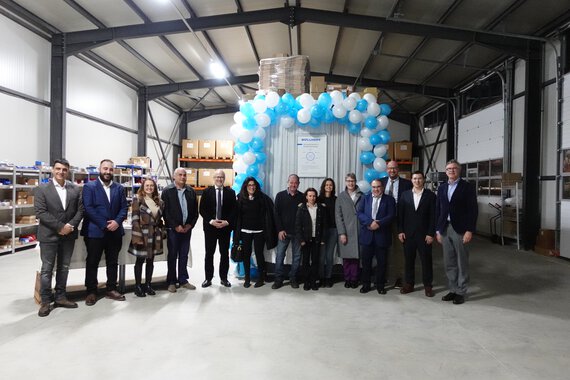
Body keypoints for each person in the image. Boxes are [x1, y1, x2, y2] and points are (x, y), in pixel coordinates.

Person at [34, 159, 84, 317]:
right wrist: (60, 227)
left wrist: (70, 226)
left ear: (68, 171)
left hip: (68, 235)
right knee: (47, 269)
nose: (61, 172)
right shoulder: (42, 189)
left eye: (64, 169)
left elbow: (80, 210)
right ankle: (46, 301)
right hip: (49, 235)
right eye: (58, 169)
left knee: (64, 267)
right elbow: (40, 212)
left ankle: (61, 297)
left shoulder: (75, 189)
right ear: (52, 170)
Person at [81, 159, 128, 306]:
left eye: (110, 169)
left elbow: (124, 208)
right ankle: (91, 291)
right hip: (95, 232)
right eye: (105, 169)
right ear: (99, 169)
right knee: (92, 261)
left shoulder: (119, 188)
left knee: (112, 261)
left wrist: (116, 222)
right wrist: (104, 224)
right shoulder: (89, 187)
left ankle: (111, 289)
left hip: (115, 232)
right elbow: (88, 208)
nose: (108, 172)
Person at [436, 159, 478, 305]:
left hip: (460, 229)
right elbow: (438, 209)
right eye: (449, 169)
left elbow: (473, 210)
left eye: (454, 168)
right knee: (449, 261)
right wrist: (437, 230)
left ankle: (461, 291)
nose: (451, 171)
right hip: (445, 228)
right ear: (446, 171)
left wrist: (469, 230)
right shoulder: (441, 188)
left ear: (459, 170)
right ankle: (453, 289)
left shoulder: (467, 187)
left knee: (462, 261)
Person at [397, 171, 436, 297]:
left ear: (423, 180)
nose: (417, 181)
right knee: (408, 261)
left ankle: (428, 285)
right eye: (414, 178)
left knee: (426, 261)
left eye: (419, 178)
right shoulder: (405, 195)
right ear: (411, 180)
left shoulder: (430, 195)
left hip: (424, 235)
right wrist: (400, 231)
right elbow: (400, 215)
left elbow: (433, 216)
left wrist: (431, 233)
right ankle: (409, 284)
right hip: (408, 234)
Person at [233, 177, 277, 288]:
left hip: (259, 231)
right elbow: (236, 215)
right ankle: (247, 278)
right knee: (246, 255)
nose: (252, 187)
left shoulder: (263, 198)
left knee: (259, 254)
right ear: (245, 187)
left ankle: (261, 278)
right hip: (245, 231)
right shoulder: (240, 198)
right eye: (249, 185)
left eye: (253, 185)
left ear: (256, 186)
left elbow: (270, 212)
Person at [161, 167, 199, 293]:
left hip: (187, 229)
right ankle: (171, 281)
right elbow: (165, 212)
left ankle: (183, 280)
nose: (183, 177)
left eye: (184, 175)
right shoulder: (167, 191)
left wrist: (190, 225)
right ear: (174, 176)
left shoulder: (191, 191)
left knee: (184, 255)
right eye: (180, 175)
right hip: (173, 230)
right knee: (172, 255)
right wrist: (175, 225)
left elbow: (195, 212)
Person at [356, 179, 396, 295]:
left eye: (378, 187)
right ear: (371, 188)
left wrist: (378, 223)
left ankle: (380, 285)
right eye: (374, 187)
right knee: (366, 263)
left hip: (382, 236)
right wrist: (370, 222)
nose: (376, 189)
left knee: (382, 263)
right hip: (367, 236)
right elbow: (359, 213)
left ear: (382, 187)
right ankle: (366, 285)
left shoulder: (389, 200)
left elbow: (391, 215)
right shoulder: (365, 198)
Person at [199, 169, 236, 288]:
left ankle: (224, 278)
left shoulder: (230, 192)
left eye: (221, 177)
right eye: (217, 177)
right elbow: (202, 209)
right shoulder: (206, 192)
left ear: (224, 179)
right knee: (209, 253)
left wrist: (227, 222)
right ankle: (208, 278)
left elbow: (233, 210)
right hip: (210, 228)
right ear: (213, 178)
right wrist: (211, 221)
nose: (219, 179)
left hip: (225, 228)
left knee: (224, 254)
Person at [128, 178, 164, 297]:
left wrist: (161, 231)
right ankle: (138, 286)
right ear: (143, 187)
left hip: (154, 235)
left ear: (155, 187)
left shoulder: (160, 202)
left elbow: (160, 219)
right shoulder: (137, 200)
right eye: (147, 185)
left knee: (150, 261)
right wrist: (137, 238)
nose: (149, 187)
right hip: (142, 235)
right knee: (140, 261)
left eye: (152, 186)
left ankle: (148, 284)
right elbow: (134, 220)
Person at [381, 160, 412, 289]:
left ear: (398, 169)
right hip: (383, 221)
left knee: (399, 250)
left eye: (394, 168)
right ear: (386, 169)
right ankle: (382, 275)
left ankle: (400, 277)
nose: (392, 171)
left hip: (400, 221)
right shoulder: (381, 182)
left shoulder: (407, 184)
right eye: (389, 168)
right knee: (383, 248)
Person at [272, 174, 305, 289]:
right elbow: (276, 214)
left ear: (298, 184)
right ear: (288, 182)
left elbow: (304, 215)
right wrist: (280, 230)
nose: (293, 184)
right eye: (291, 182)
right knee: (280, 256)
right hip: (283, 232)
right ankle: (278, 279)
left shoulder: (302, 197)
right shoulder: (280, 196)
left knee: (297, 257)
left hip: (297, 233)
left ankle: (293, 278)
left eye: (295, 183)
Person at [335, 173, 363, 289]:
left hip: (359, 230)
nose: (350, 183)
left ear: (355, 181)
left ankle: (355, 279)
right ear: (345, 182)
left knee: (356, 257)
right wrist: (341, 233)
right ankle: (347, 278)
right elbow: (338, 215)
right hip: (345, 231)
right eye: (348, 181)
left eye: (352, 181)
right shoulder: (341, 197)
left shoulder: (362, 195)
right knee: (346, 257)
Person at [296, 187, 326, 291]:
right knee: (305, 262)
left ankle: (313, 282)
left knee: (315, 261)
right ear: (306, 197)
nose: (312, 198)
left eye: (314, 196)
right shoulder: (302, 208)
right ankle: (306, 282)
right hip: (305, 240)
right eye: (310, 196)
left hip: (316, 239)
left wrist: (322, 239)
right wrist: (301, 240)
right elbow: (298, 226)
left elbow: (324, 225)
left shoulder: (321, 208)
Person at [318, 178, 337, 288]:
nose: (329, 187)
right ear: (323, 186)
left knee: (329, 256)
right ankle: (321, 277)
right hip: (321, 232)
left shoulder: (336, 199)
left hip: (333, 230)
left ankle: (328, 277)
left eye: (331, 185)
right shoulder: (319, 199)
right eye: (327, 185)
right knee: (321, 257)